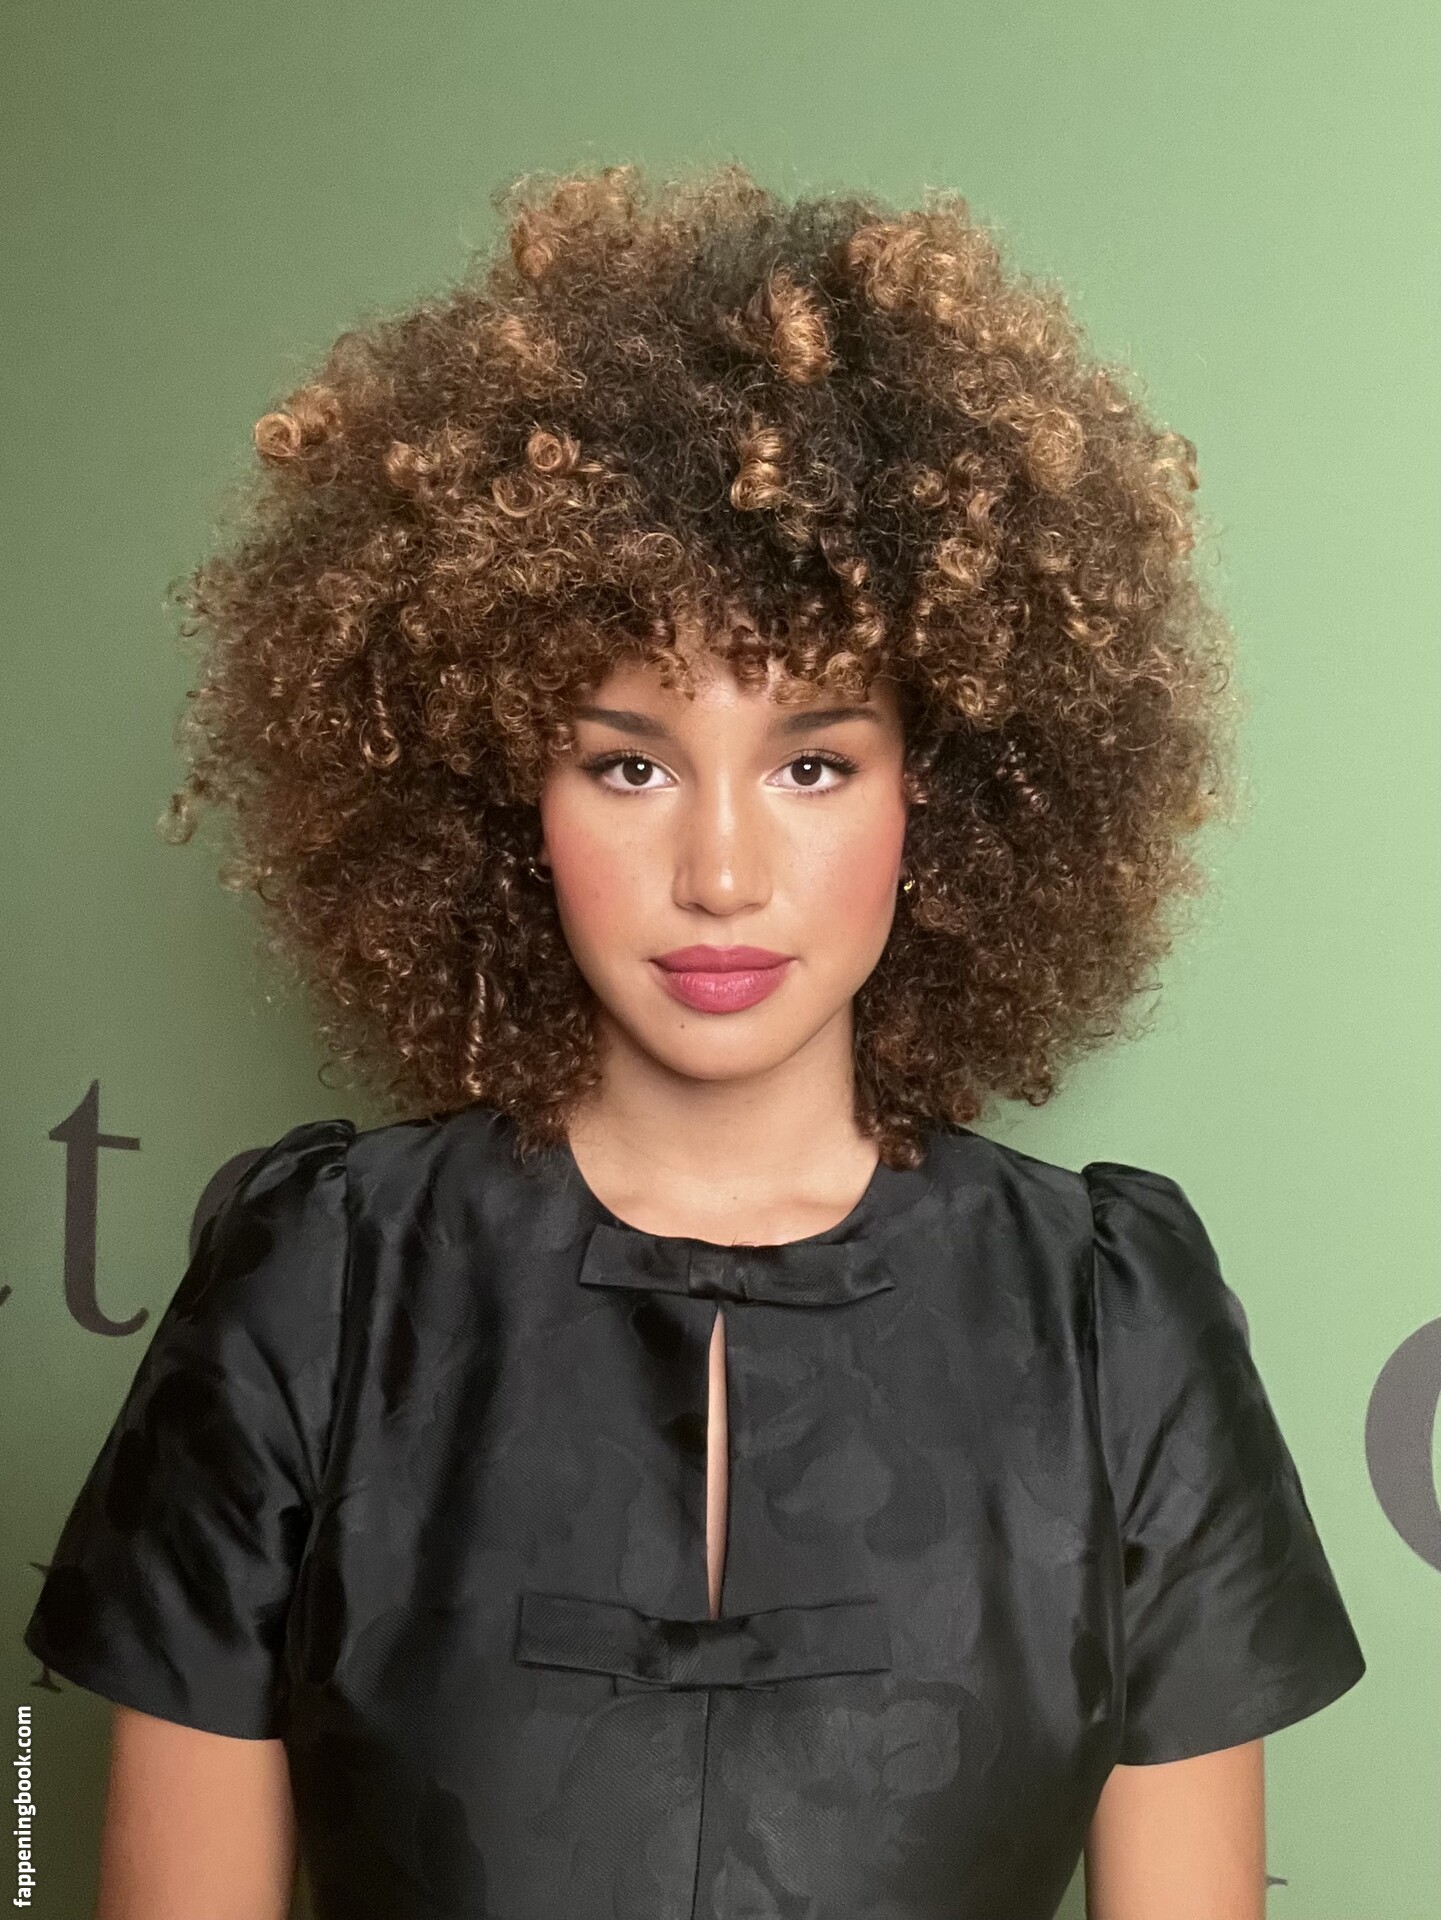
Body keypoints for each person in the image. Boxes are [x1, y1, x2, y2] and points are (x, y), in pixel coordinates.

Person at [25, 162, 1365, 1920]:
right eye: (626, 763)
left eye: (812, 762)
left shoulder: (1109, 1311)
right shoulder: (320, 1282)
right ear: (505, 798)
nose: (719, 873)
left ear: (941, 795)